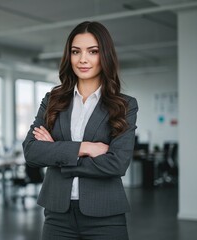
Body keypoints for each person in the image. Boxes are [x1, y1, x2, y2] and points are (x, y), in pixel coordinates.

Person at [22, 21, 138, 240]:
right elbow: (31, 151)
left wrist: (58, 156)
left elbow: (117, 163)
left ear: (105, 56)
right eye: (76, 51)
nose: (83, 59)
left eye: (92, 51)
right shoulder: (53, 100)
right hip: (57, 216)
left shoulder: (124, 105)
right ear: (69, 56)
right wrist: (86, 148)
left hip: (106, 216)